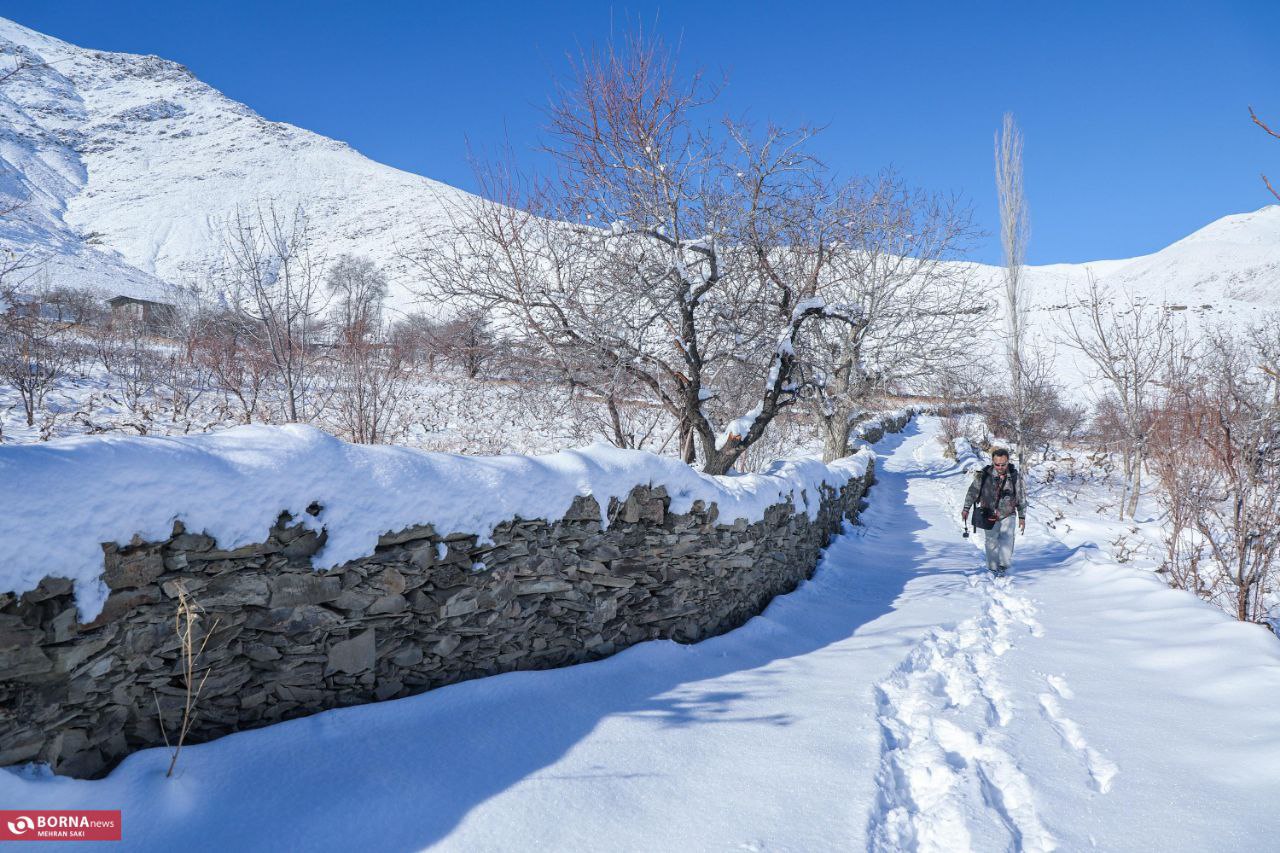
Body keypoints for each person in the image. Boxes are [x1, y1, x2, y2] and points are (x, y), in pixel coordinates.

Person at [961, 447, 1027, 576]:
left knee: (1007, 540)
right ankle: (992, 568)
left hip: (1008, 513)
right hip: (988, 513)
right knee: (991, 541)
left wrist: (1022, 516)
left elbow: (1021, 496)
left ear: (1008, 462)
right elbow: (972, 491)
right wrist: (966, 509)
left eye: (1003, 464)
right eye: (997, 464)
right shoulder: (984, 475)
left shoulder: (1014, 477)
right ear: (992, 461)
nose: (1000, 467)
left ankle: (1004, 566)